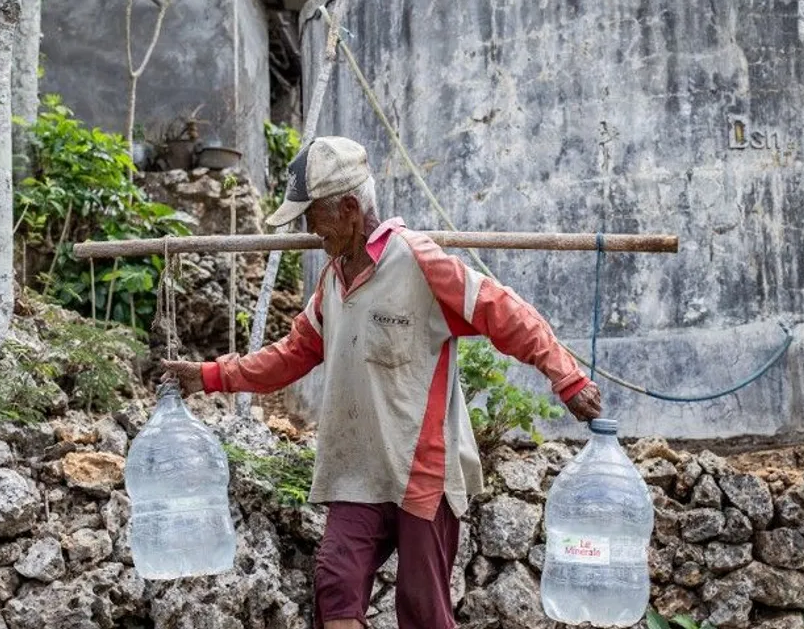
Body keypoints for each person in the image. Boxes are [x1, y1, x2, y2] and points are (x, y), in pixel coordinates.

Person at [161, 135, 604, 629]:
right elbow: (288, 357)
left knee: (423, 614)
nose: (310, 232)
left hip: (422, 475)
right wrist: (208, 376)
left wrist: (567, 378)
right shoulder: (332, 283)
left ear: (349, 208)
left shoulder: (419, 263)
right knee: (335, 596)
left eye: (314, 217)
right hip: (356, 473)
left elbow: (507, 314)